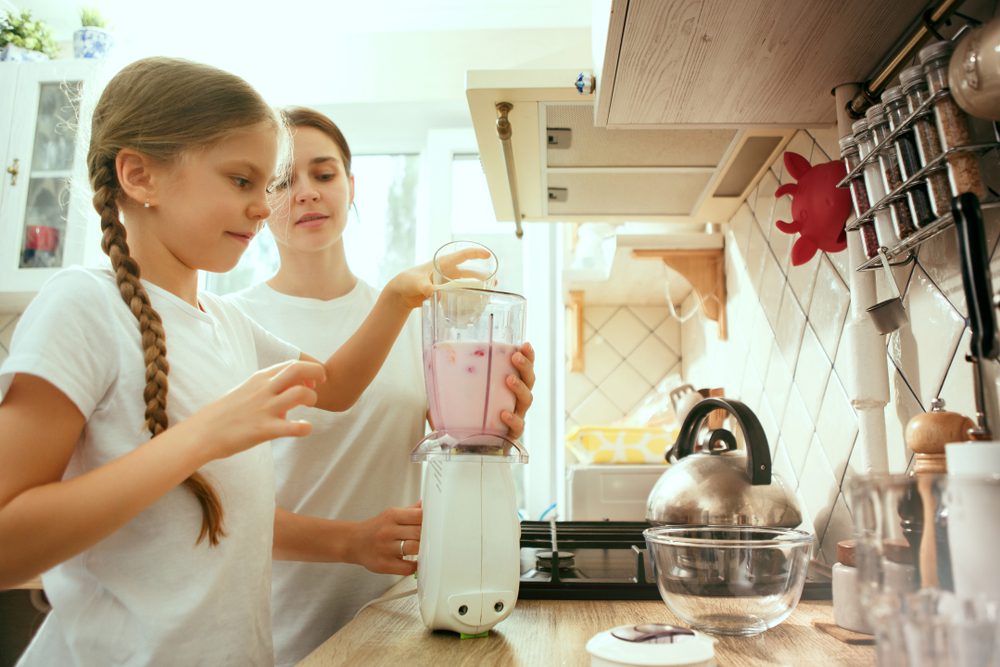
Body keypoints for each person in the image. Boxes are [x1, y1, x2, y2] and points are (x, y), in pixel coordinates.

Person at [0, 58, 470, 666]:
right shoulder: (82, 306)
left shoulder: (224, 324)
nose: (261, 206)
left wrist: (400, 295)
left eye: (263, 185)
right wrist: (204, 436)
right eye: (241, 181)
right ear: (139, 176)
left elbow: (334, 386)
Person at [225, 106, 536, 665]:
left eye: (323, 174)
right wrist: (352, 540)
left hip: (405, 616)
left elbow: (453, 456)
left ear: (351, 185)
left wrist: (498, 422)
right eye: (282, 181)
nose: (306, 194)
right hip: (281, 624)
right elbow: (224, 510)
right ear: (257, 200)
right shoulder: (232, 325)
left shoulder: (423, 322)